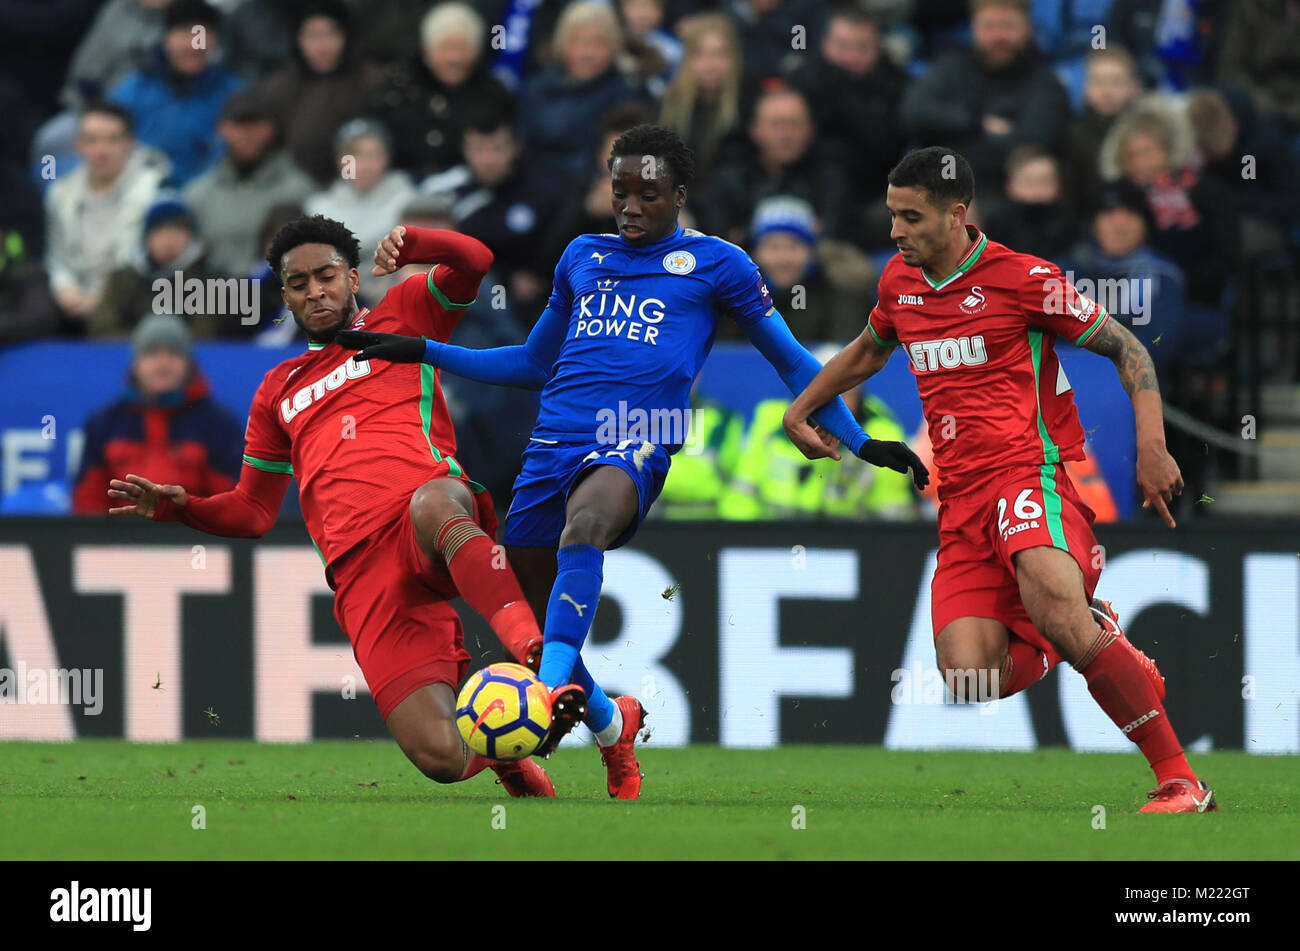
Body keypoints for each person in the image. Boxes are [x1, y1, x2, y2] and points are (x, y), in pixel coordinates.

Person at [336, 125, 929, 799]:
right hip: (552, 444)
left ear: (679, 194)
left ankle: (552, 688)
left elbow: (793, 360)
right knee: (539, 623)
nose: (631, 207)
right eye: (621, 192)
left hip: (638, 435)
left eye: (648, 194)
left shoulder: (719, 265)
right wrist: (423, 350)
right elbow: (533, 362)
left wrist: (858, 439)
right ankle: (613, 724)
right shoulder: (581, 256)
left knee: (585, 527)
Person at [784, 146, 1214, 813]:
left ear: (957, 215)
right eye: (893, 215)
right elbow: (871, 348)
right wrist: (804, 404)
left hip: (1026, 472)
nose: (895, 232)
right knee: (969, 675)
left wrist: (1152, 446)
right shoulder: (899, 283)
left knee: (1051, 595)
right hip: (958, 500)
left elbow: (1125, 347)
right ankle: (1089, 634)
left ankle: (1181, 780)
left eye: (910, 217)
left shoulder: (1024, 278)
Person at [106, 215, 554, 797]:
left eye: (326, 276)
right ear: (286, 296)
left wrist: (416, 241)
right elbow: (253, 512)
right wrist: (182, 507)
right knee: (440, 757)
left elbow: (474, 258)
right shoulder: (278, 390)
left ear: (350, 276)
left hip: (423, 509)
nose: (315, 291)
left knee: (434, 503)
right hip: (360, 572)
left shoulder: (403, 316)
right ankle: (504, 754)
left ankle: (529, 645)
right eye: (299, 284)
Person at [899, 0, 1069, 200]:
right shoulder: (951, 66)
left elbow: (1033, 144)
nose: (998, 36)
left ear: (1028, 28)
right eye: (989, 26)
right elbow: (912, 112)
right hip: (942, 184)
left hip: (1007, 193)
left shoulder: (1044, 82)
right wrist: (977, 123)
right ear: (974, 28)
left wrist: (952, 139)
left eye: (1008, 26)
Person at [74, 314, 243, 513]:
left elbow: (229, 503)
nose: (163, 363)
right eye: (152, 354)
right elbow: (88, 503)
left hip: (196, 539)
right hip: (119, 542)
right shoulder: (104, 423)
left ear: (189, 364)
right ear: (136, 364)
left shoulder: (219, 425)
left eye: (173, 354)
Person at [45, 101, 169, 331]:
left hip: (133, 302)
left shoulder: (155, 192)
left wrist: (103, 299)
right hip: (74, 301)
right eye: (91, 140)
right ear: (78, 145)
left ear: (129, 143)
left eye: (112, 139)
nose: (101, 150)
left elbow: (153, 262)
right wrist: (64, 288)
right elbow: (56, 257)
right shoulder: (60, 193)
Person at [183, 88, 316, 279]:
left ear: (271, 128)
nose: (247, 134)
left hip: (281, 295)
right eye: (239, 124)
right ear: (222, 130)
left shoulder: (300, 189)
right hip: (216, 297)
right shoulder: (198, 195)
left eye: (255, 124)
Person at [108, 0, 243, 187]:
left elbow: (227, 158)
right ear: (166, 39)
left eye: (200, 35)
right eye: (183, 33)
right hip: (133, 187)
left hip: (198, 194)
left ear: (214, 40)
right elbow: (110, 138)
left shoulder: (233, 92)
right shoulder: (136, 86)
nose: (192, 45)